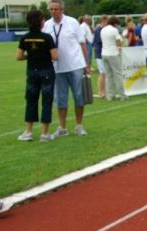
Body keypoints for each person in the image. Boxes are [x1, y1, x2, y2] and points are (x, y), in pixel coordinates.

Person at [43, 0, 90, 138]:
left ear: (62, 9)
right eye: (51, 9)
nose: (53, 12)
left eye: (56, 9)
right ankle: (62, 127)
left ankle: (79, 125)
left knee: (79, 97)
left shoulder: (73, 22)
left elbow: (82, 43)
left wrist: (86, 64)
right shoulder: (47, 25)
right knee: (60, 99)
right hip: (57, 68)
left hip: (75, 65)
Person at [16, 10, 58, 142]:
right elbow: (55, 56)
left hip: (32, 72)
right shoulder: (47, 37)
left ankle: (28, 132)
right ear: (41, 22)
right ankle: (45, 134)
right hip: (46, 71)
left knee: (31, 101)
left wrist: (30, 55)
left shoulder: (25, 38)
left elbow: (19, 56)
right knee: (46, 102)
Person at [101, 15, 126, 101]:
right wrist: (119, 47)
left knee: (109, 75)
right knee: (118, 74)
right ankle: (122, 95)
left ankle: (110, 96)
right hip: (113, 53)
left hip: (104, 53)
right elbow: (119, 41)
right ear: (115, 23)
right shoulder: (114, 30)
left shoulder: (103, 29)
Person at [92, 15, 107, 98]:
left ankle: (103, 91)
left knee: (104, 74)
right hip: (99, 54)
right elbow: (99, 42)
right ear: (103, 21)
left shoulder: (102, 30)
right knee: (102, 73)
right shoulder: (98, 30)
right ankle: (100, 92)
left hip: (103, 53)